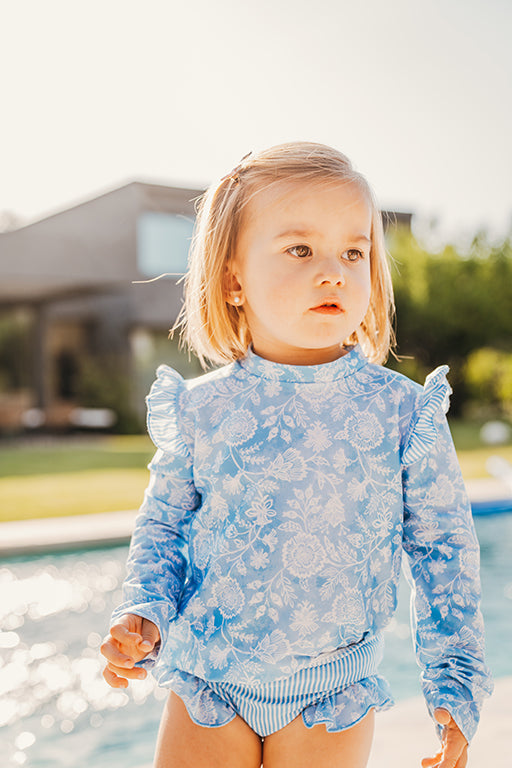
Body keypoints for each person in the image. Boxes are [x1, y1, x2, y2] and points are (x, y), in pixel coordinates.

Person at [101, 142, 492, 768]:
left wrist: (453, 685)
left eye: (354, 251)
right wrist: (144, 609)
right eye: (301, 249)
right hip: (209, 679)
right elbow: (165, 526)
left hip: (328, 695)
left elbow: (445, 552)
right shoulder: (201, 412)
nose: (334, 270)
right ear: (233, 280)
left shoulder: (400, 414)